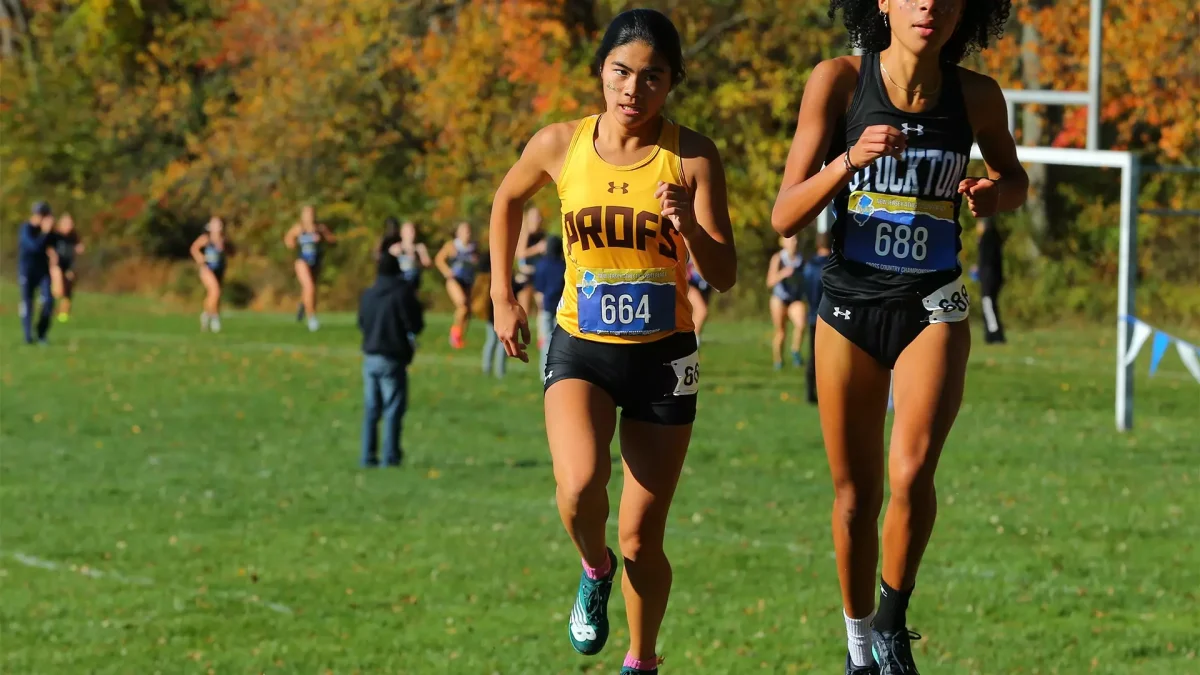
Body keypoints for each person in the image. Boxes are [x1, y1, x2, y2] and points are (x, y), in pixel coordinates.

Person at [770, 1, 1026, 673]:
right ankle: (858, 648)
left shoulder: (976, 96)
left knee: (912, 471)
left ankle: (892, 619)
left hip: (932, 302)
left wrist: (993, 195)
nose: (928, 6)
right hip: (851, 307)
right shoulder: (840, 82)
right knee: (856, 496)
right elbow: (784, 214)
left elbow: (1015, 179)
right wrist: (849, 159)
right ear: (881, 1)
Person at [487, 9, 737, 675]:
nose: (633, 89)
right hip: (582, 348)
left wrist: (689, 222)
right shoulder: (559, 144)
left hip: (663, 359)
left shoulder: (691, 155)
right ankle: (591, 568)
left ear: (672, 83)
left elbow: (725, 272)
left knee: (641, 537)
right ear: (601, 71)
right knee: (578, 489)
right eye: (621, 72)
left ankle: (642, 659)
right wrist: (502, 295)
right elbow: (506, 201)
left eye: (652, 77)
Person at [357, 241, 424, 468]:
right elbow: (415, 322)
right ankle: (390, 456)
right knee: (393, 407)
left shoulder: (368, 294)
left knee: (371, 408)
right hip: (393, 356)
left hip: (370, 355)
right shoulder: (401, 292)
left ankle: (367, 455)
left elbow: (361, 322)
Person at [284, 204, 336, 331]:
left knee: (311, 290)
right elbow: (288, 239)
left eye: (312, 214)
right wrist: (293, 243)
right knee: (309, 287)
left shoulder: (320, 228)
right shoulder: (299, 228)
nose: (310, 217)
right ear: (303, 216)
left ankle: (303, 306)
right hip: (302, 261)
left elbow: (332, 240)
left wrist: (322, 238)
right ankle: (312, 318)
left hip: (316, 261)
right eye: (307, 214)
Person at [17, 201, 58, 345]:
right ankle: (28, 336)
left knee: (48, 301)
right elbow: (33, 247)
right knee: (28, 303)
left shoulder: (48, 232)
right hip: (27, 271)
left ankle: (41, 333)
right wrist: (45, 233)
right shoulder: (26, 229)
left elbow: (56, 245)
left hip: (43, 272)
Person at [766, 235, 808, 370]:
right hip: (779, 298)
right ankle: (778, 361)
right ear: (783, 243)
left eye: (796, 239)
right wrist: (783, 273)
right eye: (791, 240)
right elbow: (770, 282)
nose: (794, 242)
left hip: (795, 298)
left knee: (801, 324)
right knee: (781, 332)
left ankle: (795, 351)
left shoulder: (801, 259)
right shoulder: (778, 258)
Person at [434, 222, 479, 349]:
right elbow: (439, 259)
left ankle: (459, 337)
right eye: (464, 231)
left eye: (469, 231)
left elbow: (478, 263)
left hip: (468, 281)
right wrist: (447, 271)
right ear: (458, 233)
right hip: (454, 280)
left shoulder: (473, 247)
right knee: (462, 305)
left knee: (468, 311)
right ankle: (454, 334)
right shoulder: (452, 246)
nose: (467, 234)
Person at [532, 234, 567, 374]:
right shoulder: (563, 266)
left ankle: (544, 372)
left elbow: (538, 289)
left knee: (546, 341)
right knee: (559, 342)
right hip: (561, 306)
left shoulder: (541, 265)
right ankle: (558, 370)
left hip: (545, 306)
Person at [803, 232, 831, 404]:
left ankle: (810, 391)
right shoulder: (832, 266)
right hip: (829, 317)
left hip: (812, 315)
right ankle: (827, 393)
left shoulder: (809, 266)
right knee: (829, 358)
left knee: (813, 355)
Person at [515, 205, 548, 346]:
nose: (537, 220)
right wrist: (538, 248)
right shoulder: (524, 234)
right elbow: (520, 254)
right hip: (525, 275)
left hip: (539, 275)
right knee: (525, 308)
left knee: (542, 305)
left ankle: (542, 337)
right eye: (534, 217)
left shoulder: (543, 234)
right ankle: (520, 337)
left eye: (539, 217)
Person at [190, 216, 229, 333]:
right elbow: (194, 248)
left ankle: (206, 315)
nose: (217, 226)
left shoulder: (223, 240)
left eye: (219, 224)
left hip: (219, 270)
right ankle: (214, 318)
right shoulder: (206, 238)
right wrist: (200, 257)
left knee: (214, 295)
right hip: (207, 269)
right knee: (215, 291)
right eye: (214, 224)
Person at [974, 217, 1005, 344]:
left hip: (989, 277)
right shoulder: (995, 237)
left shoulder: (987, 238)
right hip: (995, 276)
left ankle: (994, 332)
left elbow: (986, 260)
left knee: (988, 303)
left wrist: (980, 270)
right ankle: (993, 331)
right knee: (992, 303)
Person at [50, 213, 84, 323]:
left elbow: (79, 246)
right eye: (67, 223)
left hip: (69, 265)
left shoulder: (73, 236)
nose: (69, 226)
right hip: (56, 265)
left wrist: (79, 248)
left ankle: (63, 314)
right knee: (59, 290)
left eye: (71, 223)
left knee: (68, 289)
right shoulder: (55, 235)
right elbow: (48, 247)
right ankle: (48, 307)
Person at [385, 219, 432, 290]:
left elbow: (428, 265)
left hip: (413, 281)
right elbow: (385, 267)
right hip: (398, 282)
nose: (410, 234)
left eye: (412, 231)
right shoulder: (395, 248)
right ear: (401, 233)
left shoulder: (419, 248)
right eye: (407, 232)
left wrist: (419, 256)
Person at [684, 258, 711, 345]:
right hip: (690, 278)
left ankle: (693, 340)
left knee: (701, 312)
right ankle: (691, 343)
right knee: (701, 311)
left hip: (706, 278)